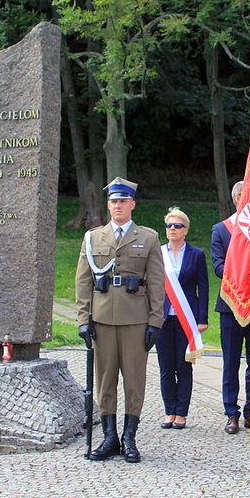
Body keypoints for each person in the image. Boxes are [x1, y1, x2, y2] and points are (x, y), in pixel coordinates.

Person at [75, 176, 165, 463]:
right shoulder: (93, 238)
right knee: (105, 380)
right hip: (102, 318)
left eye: (122, 201)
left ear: (132, 204)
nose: (117, 206)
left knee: (135, 381)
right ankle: (110, 436)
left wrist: (155, 321)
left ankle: (129, 437)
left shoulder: (148, 238)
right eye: (113, 201)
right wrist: (82, 318)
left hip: (135, 319)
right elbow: (83, 281)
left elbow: (156, 283)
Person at [211, 180, 250, 434]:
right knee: (231, 361)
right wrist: (243, 273)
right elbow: (218, 266)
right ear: (235, 198)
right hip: (231, 304)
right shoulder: (221, 229)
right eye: (243, 195)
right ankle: (231, 412)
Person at [156, 207, 209, 430]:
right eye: (169, 225)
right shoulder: (158, 253)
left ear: (185, 230)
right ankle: (170, 411)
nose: (172, 229)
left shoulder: (196, 254)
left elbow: (204, 287)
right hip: (163, 318)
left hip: (187, 317)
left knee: (183, 365)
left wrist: (202, 318)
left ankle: (182, 412)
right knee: (166, 366)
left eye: (177, 226)